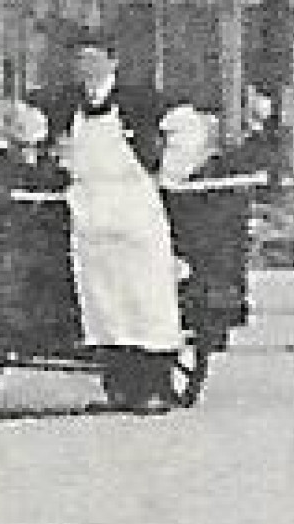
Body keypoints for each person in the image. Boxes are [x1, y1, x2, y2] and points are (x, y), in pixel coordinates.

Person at [32, 30, 184, 414]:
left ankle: (156, 388)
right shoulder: (68, 103)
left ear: (113, 62)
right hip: (90, 212)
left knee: (144, 299)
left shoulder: (139, 100)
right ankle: (118, 387)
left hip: (134, 210)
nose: (88, 67)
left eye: (96, 59)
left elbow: (187, 126)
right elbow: (33, 127)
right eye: (82, 60)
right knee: (104, 303)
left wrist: (169, 174)